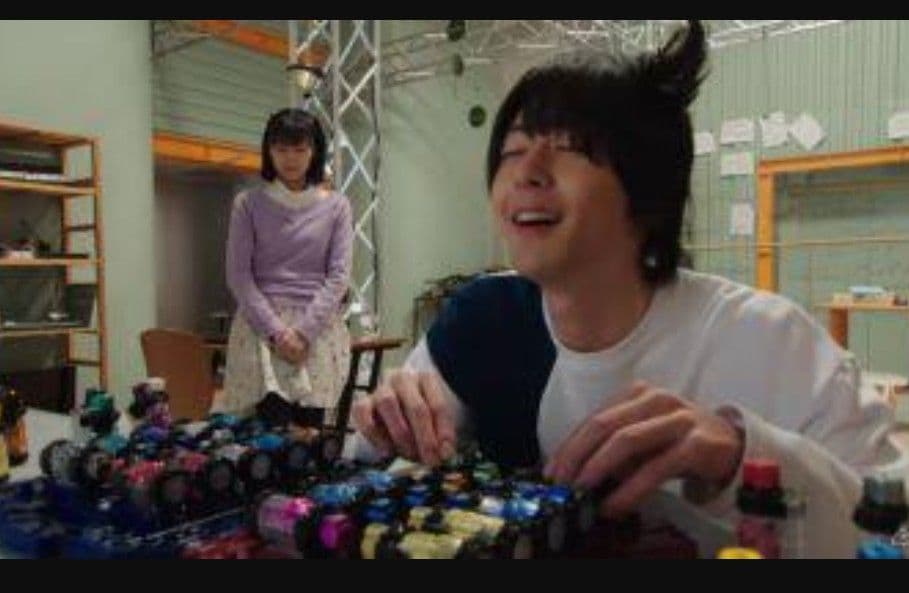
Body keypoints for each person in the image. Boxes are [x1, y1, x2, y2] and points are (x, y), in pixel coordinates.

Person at [349, 21, 903, 557]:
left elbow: (889, 534)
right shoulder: (483, 320)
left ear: (648, 191)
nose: (526, 173)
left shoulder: (770, 341)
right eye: (512, 152)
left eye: (568, 149)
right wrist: (387, 427)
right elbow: (368, 474)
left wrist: (739, 457)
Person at [221, 108, 353, 424]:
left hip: (316, 331)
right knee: (265, 436)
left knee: (312, 433)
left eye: (299, 149)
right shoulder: (247, 204)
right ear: (269, 151)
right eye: (281, 149)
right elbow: (238, 276)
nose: (290, 158)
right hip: (261, 329)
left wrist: (303, 333)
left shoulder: (337, 206)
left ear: (314, 151)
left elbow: (339, 276)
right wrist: (278, 334)